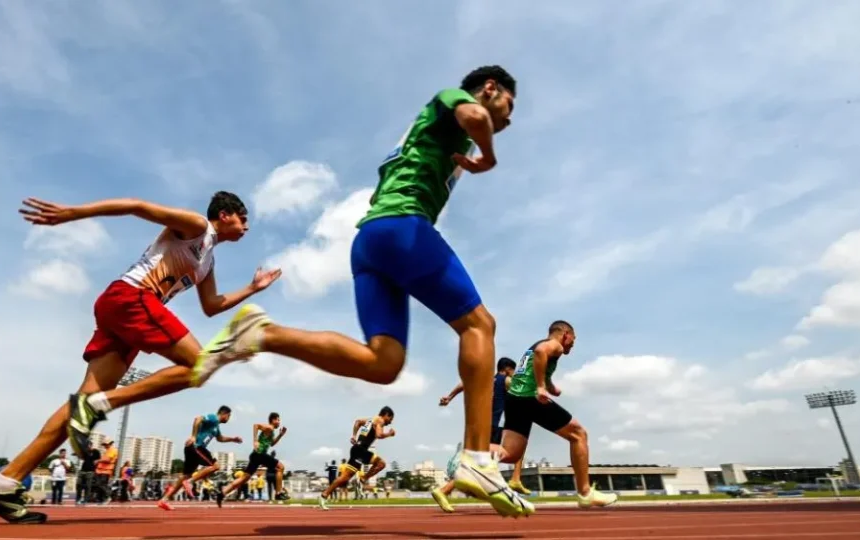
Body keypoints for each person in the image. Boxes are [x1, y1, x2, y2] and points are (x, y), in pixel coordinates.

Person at [193, 65, 531, 519]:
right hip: (400, 227)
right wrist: (488, 151)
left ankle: (263, 333)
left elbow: (469, 124)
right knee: (479, 324)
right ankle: (476, 458)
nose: (506, 122)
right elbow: (474, 116)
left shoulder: (438, 129)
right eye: (507, 108)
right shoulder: (454, 100)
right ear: (490, 89)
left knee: (383, 362)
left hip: (369, 243)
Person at [0, 191, 280, 524]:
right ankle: (101, 405)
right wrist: (73, 212)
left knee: (79, 405)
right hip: (131, 298)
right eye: (243, 218)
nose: (246, 226)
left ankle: (4, 483)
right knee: (200, 364)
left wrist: (253, 288)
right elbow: (137, 206)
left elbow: (212, 306)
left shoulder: (207, 261)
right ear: (224, 215)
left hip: (126, 311)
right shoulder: (196, 226)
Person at [499, 321, 617, 509]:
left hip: (514, 399)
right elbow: (540, 352)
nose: (573, 344)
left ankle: (472, 458)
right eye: (573, 339)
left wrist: (550, 385)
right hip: (530, 398)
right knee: (579, 434)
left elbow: (535, 362)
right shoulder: (555, 345)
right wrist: (540, 387)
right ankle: (585, 493)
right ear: (566, 334)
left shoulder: (537, 347)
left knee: (510, 454)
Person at [432, 357, 527, 513]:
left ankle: (500, 494)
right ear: (508, 369)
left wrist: (449, 397)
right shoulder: (507, 380)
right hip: (494, 426)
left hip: (480, 425)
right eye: (513, 371)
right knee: (514, 449)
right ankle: (513, 482)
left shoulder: (485, 379)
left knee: (485, 464)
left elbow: (465, 383)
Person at [159, 405, 242, 511]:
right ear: (224, 414)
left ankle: (164, 500)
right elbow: (198, 419)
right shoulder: (213, 418)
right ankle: (190, 482)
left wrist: (233, 439)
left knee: (185, 476)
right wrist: (193, 436)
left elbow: (220, 438)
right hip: (196, 446)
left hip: (193, 448)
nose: (228, 419)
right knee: (215, 466)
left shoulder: (216, 427)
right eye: (229, 416)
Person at [319, 406, 395, 510]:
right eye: (390, 419)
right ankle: (363, 479)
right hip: (360, 450)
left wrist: (354, 436)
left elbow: (358, 421)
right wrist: (389, 434)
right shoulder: (380, 421)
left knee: (344, 478)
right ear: (386, 415)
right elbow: (379, 435)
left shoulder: (370, 420)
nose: (390, 422)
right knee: (381, 464)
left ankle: (324, 496)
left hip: (356, 449)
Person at [217, 412, 287, 506]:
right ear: (273, 420)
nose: (279, 422)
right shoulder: (269, 427)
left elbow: (272, 444)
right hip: (260, 454)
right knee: (280, 467)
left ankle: (222, 493)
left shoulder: (271, 431)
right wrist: (255, 441)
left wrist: (280, 435)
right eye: (278, 420)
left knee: (243, 479)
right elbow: (256, 425)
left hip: (256, 456)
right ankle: (278, 493)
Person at [92, 439, 118, 504]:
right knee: (99, 484)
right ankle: (101, 499)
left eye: (105, 444)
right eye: (104, 444)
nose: (104, 446)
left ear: (110, 443)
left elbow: (108, 460)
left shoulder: (112, 450)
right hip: (101, 471)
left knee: (102, 484)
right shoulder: (107, 451)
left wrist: (98, 461)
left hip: (106, 471)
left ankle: (108, 496)